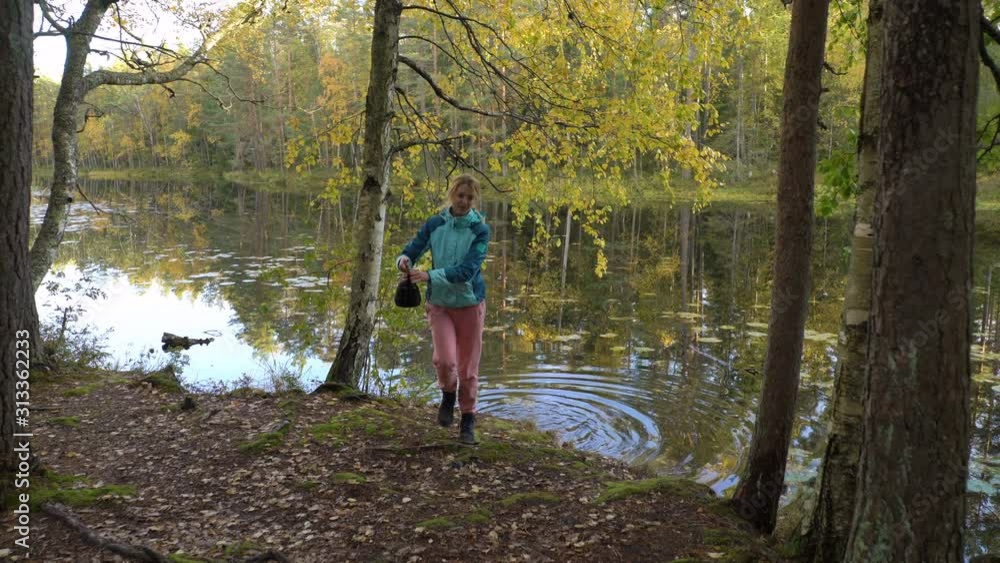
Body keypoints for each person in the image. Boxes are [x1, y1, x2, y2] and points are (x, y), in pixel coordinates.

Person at [396, 174, 490, 445]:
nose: (464, 202)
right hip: (439, 305)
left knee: (468, 368)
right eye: (460, 196)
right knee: (445, 361)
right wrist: (404, 262)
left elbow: (468, 271)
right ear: (452, 195)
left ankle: (468, 419)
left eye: (470, 198)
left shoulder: (480, 230)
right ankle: (448, 395)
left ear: (475, 201)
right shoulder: (435, 223)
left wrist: (429, 275)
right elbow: (411, 250)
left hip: (470, 305)